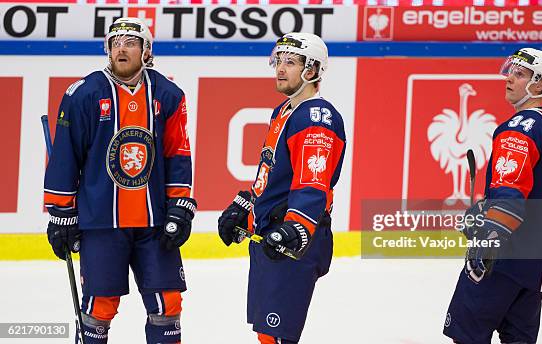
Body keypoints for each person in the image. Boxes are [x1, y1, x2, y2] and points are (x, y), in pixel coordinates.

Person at [43, 17, 196, 343]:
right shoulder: (83, 93)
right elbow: (65, 157)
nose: (121, 49)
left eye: (130, 42)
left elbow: (177, 153)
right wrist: (60, 212)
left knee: (168, 306)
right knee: (98, 309)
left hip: (153, 222)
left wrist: (180, 205)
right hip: (101, 222)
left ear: (146, 50)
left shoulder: (168, 94)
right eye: (115, 43)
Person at [218, 32, 346, 343]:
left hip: (294, 239)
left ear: (312, 70)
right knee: (267, 334)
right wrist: (246, 211)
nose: (280, 68)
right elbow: (272, 181)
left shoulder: (317, 118)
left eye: (291, 62)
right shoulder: (285, 112)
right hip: (273, 235)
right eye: (279, 60)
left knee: (277, 337)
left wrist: (297, 228)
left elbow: (311, 184)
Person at [443, 48, 542, 344]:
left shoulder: (517, 130)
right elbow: (534, 191)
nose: (509, 78)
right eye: (511, 70)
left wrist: (488, 236)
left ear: (540, 84)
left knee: (467, 334)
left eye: (520, 74)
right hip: (538, 263)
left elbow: (511, 197)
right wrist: (486, 209)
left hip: (504, 258)